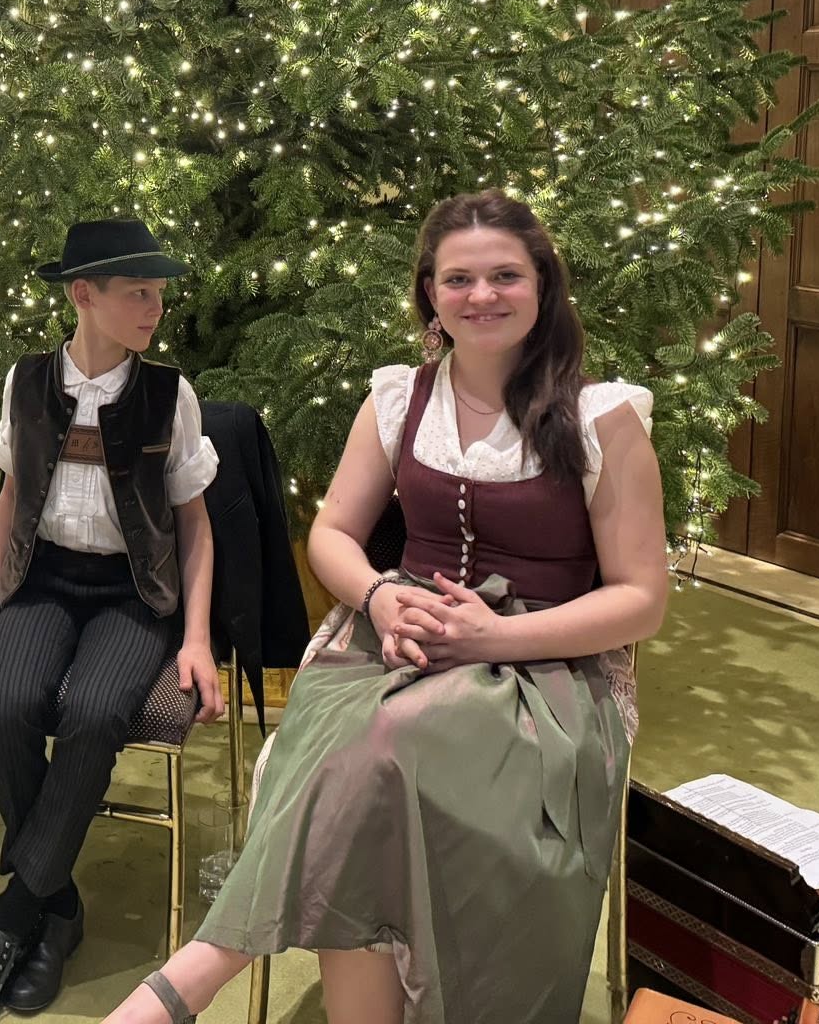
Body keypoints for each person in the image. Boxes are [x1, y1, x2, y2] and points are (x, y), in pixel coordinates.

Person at [105, 191, 669, 1024]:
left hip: (548, 666)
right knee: (354, 747)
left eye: (506, 276)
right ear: (430, 293)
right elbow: (333, 533)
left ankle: (194, 975)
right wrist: (378, 595)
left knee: (381, 749)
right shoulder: (400, 399)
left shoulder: (601, 418)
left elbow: (640, 599)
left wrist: (495, 637)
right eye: (459, 278)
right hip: (398, 636)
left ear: (544, 285)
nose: (482, 295)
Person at [0, 219, 227, 1024]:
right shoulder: (27, 382)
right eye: (137, 292)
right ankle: (59, 906)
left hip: (133, 593)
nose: (155, 308)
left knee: (96, 711)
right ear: (83, 296)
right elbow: (8, 504)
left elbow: (196, 528)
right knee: (5, 704)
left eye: (158, 293)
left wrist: (197, 638)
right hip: (43, 581)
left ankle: (13, 917)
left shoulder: (169, 395)